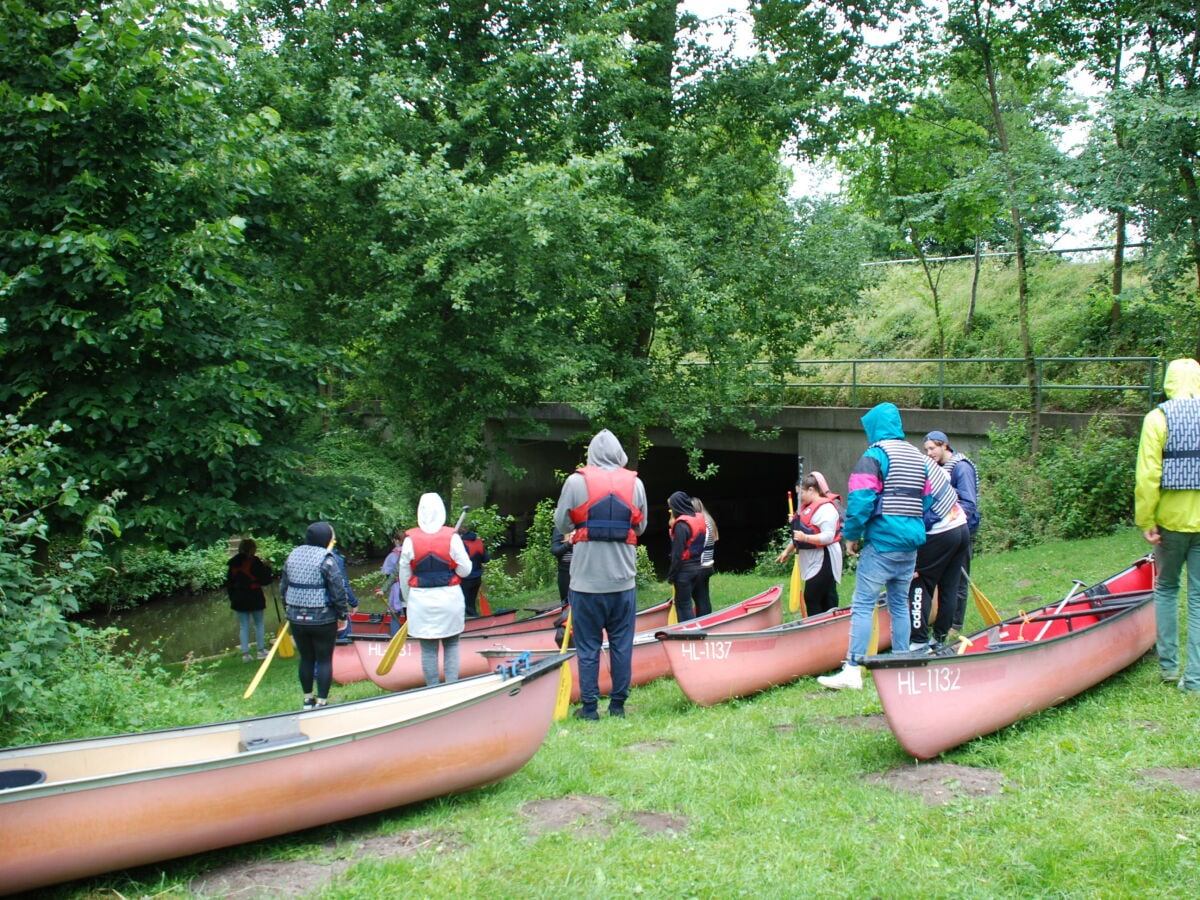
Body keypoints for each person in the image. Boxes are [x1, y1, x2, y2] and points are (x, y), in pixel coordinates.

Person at [817, 402, 932, 691]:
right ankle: (902, 659)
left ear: (875, 427)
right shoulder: (918, 458)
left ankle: (853, 668)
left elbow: (861, 499)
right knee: (898, 603)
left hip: (882, 542)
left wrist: (851, 534)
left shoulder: (876, 455)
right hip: (911, 544)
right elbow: (927, 501)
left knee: (863, 605)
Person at [554, 428, 648, 720]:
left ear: (591, 454)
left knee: (588, 647)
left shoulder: (574, 481)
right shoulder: (636, 484)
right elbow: (640, 527)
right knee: (621, 644)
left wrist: (579, 531)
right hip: (623, 582)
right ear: (619, 454)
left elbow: (561, 523)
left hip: (585, 583)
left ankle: (591, 708)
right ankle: (618, 706)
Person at [1135, 357, 1200, 693]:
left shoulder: (1158, 418)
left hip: (1171, 525)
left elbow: (1148, 476)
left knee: (1167, 589)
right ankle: (1195, 679)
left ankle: (1170, 669)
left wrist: (1146, 520)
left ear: (1169, 382)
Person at [400, 493, 473, 686]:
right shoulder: (452, 538)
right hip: (449, 599)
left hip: (420, 601)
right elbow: (465, 571)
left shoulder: (409, 541)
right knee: (452, 643)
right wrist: (452, 566)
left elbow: (404, 576)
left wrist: (408, 602)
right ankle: (451, 686)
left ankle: (432, 688)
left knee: (428, 649)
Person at [280, 521, 351, 709]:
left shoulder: (293, 556)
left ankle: (307, 699)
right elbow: (337, 590)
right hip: (322, 618)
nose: (333, 540)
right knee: (324, 659)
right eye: (332, 537)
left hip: (296, 617)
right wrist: (342, 615)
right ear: (325, 538)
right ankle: (322, 701)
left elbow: (283, 587)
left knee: (306, 658)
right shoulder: (327, 559)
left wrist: (289, 609)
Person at [906, 462, 969, 651]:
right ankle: (940, 637)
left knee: (919, 582)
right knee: (949, 584)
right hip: (960, 525)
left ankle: (919, 641)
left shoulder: (904, 473)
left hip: (939, 532)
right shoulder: (930, 465)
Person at [924, 430, 980, 634]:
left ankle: (955, 624)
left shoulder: (961, 467)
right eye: (927, 449)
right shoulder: (939, 467)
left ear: (944, 445)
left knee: (958, 580)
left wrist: (951, 522)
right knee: (945, 580)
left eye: (932, 448)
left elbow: (969, 503)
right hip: (946, 531)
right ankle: (941, 620)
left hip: (962, 529)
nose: (929, 453)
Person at [775, 472, 843, 615]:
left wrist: (805, 537)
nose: (799, 498)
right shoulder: (806, 508)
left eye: (801, 494)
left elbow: (828, 537)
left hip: (825, 558)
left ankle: (819, 630)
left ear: (811, 490)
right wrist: (787, 551)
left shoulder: (826, 509)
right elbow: (798, 535)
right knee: (821, 599)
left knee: (812, 597)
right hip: (812, 559)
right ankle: (825, 630)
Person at [226, 538, 274, 661]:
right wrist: (267, 568)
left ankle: (245, 654)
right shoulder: (254, 561)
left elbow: (229, 583)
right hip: (254, 596)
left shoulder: (233, 563)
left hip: (238, 598)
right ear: (252, 549)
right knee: (258, 624)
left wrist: (233, 598)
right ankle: (261, 651)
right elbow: (265, 580)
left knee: (243, 626)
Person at [666, 492, 707, 622]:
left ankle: (689, 634)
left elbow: (677, 555)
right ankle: (692, 632)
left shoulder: (681, 525)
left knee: (683, 606)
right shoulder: (697, 519)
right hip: (697, 567)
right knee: (688, 603)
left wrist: (671, 576)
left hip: (684, 572)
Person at [691, 497, 719, 617]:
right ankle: (706, 621)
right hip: (708, 565)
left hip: (700, 566)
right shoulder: (708, 520)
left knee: (700, 599)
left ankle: (703, 623)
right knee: (703, 599)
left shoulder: (699, 522)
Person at [457, 521, 490, 616]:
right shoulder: (478, 542)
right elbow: (486, 559)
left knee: (464, 603)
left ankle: (474, 621)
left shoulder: (460, 544)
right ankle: (475, 617)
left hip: (465, 579)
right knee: (471, 603)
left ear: (460, 534)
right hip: (477, 579)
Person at [332, 541, 359, 642]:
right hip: (334, 604)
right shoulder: (335, 559)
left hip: (316, 607)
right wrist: (353, 603)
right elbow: (343, 584)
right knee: (344, 633)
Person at [379, 531, 405, 636]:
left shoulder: (392, 555)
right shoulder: (412, 553)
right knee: (410, 614)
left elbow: (388, 575)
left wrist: (384, 589)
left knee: (395, 615)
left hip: (396, 586)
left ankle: (394, 637)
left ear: (397, 541)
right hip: (410, 586)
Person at [551, 526, 574, 607]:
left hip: (583, 570)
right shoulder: (559, 528)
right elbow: (555, 550)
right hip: (565, 572)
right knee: (566, 604)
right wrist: (569, 543)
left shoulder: (585, 526)